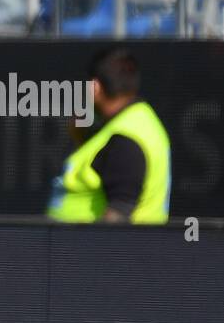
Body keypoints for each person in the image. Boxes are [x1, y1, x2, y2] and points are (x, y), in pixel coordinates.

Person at [47, 47, 171, 222]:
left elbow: (117, 216)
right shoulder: (134, 122)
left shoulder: (126, 139)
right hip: (76, 246)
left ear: (95, 87)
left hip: (96, 248)